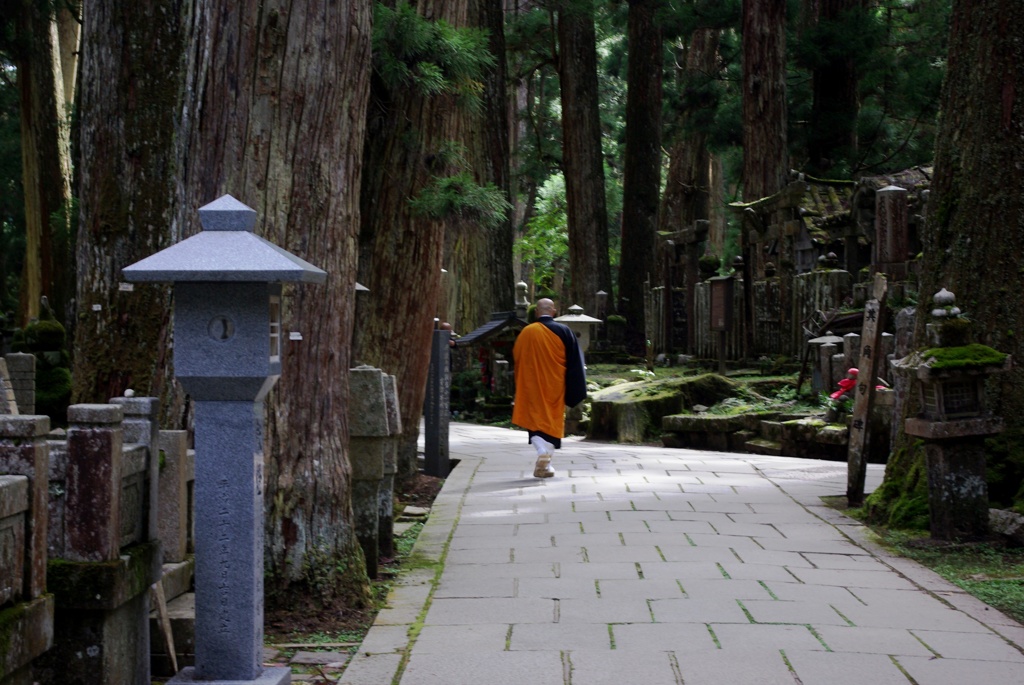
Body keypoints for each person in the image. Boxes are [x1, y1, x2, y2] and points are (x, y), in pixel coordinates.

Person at [512, 298, 587, 478]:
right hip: (555, 387)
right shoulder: (564, 331)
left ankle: (543, 457)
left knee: (534, 422)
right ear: (554, 311)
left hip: (531, 387)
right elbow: (575, 363)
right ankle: (544, 459)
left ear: (537, 313)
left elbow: (517, 358)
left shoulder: (526, 332)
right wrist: (575, 389)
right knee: (552, 423)